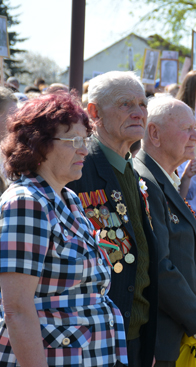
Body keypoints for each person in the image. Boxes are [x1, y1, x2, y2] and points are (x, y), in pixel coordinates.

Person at [0, 92, 128, 367]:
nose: (84, 150)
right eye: (74, 141)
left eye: (85, 140)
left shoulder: (67, 198)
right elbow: (17, 309)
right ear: (39, 145)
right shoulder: (26, 204)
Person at [66, 71, 159, 367]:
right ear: (94, 112)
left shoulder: (131, 169)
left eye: (143, 104)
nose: (138, 113)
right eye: (125, 104)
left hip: (136, 336)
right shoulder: (78, 169)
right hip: (94, 343)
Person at [133, 96, 196, 367]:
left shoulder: (163, 177)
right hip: (160, 338)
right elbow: (160, 265)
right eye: (187, 129)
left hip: (175, 332)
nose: (195, 136)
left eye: (195, 128)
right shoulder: (145, 180)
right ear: (154, 133)